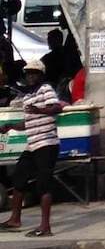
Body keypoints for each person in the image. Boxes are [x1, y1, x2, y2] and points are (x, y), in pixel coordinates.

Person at [0, 60, 64, 237]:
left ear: (41, 75)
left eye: (34, 73)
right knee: (19, 179)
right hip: (32, 144)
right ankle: (15, 220)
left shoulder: (46, 89)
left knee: (44, 184)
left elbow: (56, 108)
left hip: (46, 144)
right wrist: (12, 126)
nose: (30, 76)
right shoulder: (28, 97)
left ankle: (45, 226)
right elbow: (29, 123)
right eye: (28, 73)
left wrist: (40, 111)